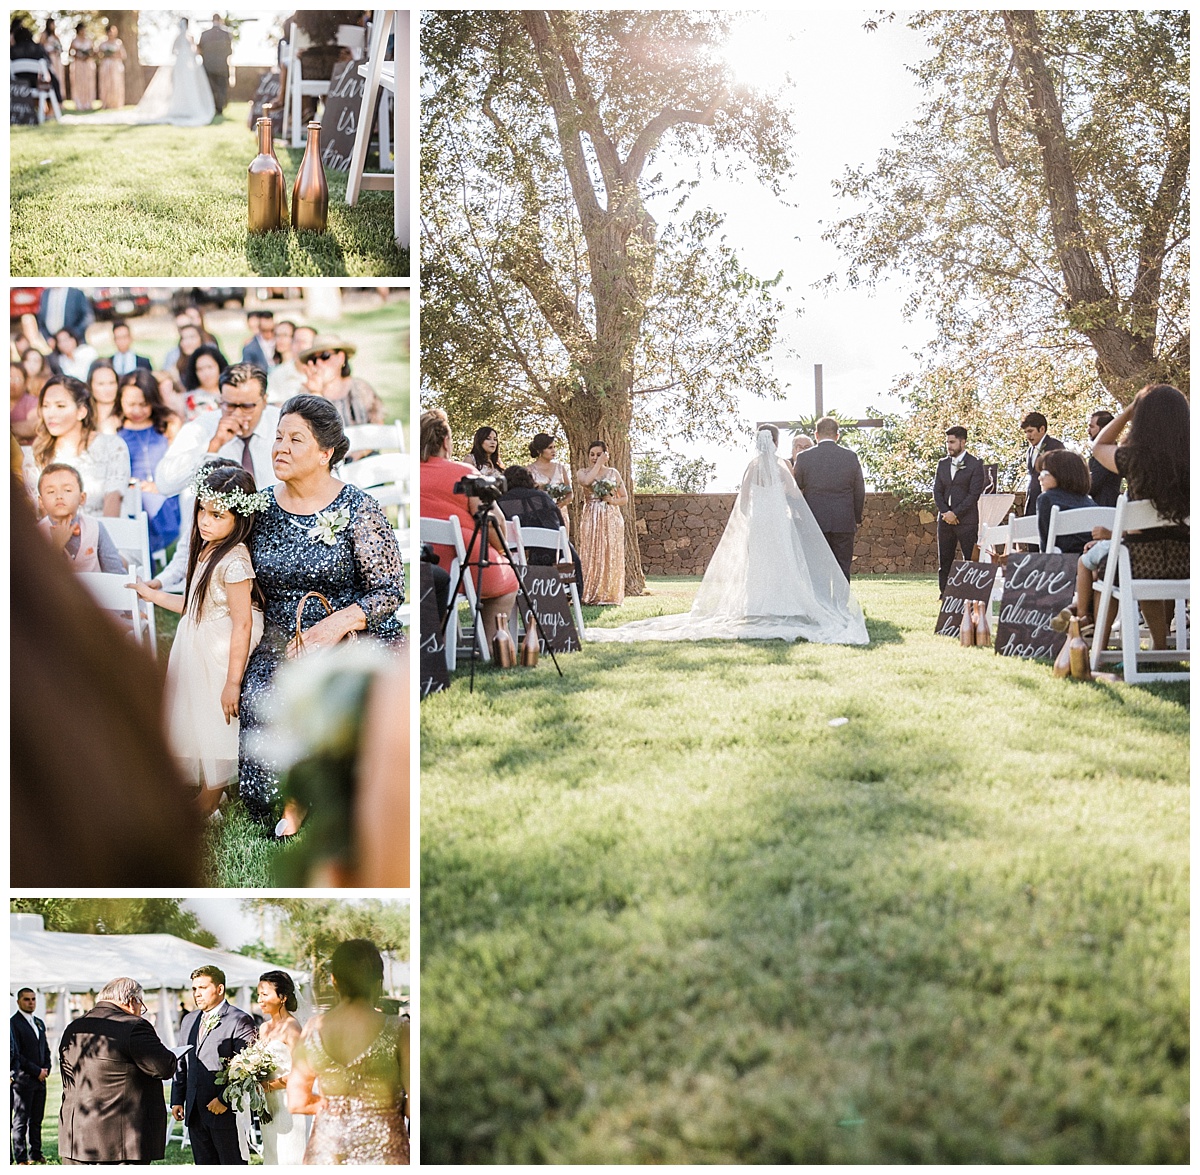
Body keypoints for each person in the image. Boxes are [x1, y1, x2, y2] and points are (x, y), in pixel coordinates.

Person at [11, 481, 204, 886]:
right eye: (45, 491)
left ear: (82, 497)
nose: (57, 498)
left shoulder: (96, 531)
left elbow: (116, 575)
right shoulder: (40, 546)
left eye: (67, 490)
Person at [239, 395, 405, 834]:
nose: (281, 448)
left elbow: (390, 590)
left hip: (350, 629)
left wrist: (332, 626)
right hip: (281, 635)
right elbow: (218, 556)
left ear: (325, 452)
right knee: (267, 690)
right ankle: (291, 796)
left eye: (296, 439)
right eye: (278, 437)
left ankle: (333, 793)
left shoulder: (358, 508)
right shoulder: (259, 508)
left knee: (348, 688)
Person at [589, 427, 869, 645]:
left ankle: (757, 605)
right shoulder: (783, 466)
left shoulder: (752, 465)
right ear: (775, 443)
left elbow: (744, 498)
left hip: (759, 522)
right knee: (783, 561)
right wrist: (784, 503)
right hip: (779, 524)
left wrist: (754, 513)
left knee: (758, 562)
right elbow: (794, 494)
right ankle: (785, 603)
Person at [135, 466, 266, 818]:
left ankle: (209, 804)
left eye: (217, 514)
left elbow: (242, 624)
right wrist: (152, 596)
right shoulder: (208, 549)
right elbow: (195, 606)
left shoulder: (235, 560)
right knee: (197, 718)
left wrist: (233, 682)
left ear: (239, 518)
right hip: (198, 639)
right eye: (201, 510)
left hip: (220, 650)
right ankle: (212, 792)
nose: (204, 521)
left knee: (214, 724)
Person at [1085, 384, 1189, 651]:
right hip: (1189, 563)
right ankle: (1159, 645)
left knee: (1120, 561)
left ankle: (1101, 643)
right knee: (1139, 555)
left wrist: (1130, 409)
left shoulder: (1133, 459)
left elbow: (1099, 446)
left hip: (1142, 564)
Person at [288, 941, 409, 1165]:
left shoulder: (313, 1029)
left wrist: (332, 1106)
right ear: (378, 983)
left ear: (334, 981)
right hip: (384, 1154)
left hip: (327, 1154)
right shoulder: (399, 1029)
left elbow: (296, 1101)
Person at [421, 408, 518, 647]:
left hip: (425, 563)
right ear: (445, 441)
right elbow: (493, 525)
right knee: (508, 580)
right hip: (464, 562)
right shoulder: (463, 473)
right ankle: (486, 645)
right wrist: (503, 550)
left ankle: (438, 647)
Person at [58, 977, 178, 1165]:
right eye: (141, 1005)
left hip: (76, 1135)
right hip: (119, 1141)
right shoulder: (133, 1026)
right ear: (132, 1001)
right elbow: (164, 1067)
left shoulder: (74, 1027)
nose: (141, 1011)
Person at [171, 966, 257, 1165]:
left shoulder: (240, 1019)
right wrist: (177, 1098)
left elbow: (247, 1067)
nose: (197, 993)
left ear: (219, 989)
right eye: (194, 989)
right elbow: (182, 1061)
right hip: (194, 1110)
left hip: (225, 1112)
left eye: (202, 987)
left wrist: (224, 1100)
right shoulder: (189, 1020)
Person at [26, 375, 131, 516]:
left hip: (102, 531)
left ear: (81, 411)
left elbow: (113, 498)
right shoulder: (38, 454)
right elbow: (39, 511)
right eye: (46, 406)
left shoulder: (112, 446)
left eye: (60, 406)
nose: (51, 414)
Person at [117, 370, 184, 553]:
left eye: (143, 404)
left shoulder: (167, 424)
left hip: (165, 489)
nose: (137, 410)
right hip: (132, 493)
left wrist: (160, 485)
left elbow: (179, 460)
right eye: (131, 404)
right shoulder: (116, 429)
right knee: (139, 502)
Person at [792, 416, 866, 581]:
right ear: (837, 436)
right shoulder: (850, 457)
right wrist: (856, 517)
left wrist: (802, 516)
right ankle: (840, 604)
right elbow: (859, 490)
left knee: (817, 567)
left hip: (814, 520)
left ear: (816, 435)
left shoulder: (804, 458)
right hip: (843, 519)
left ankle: (822, 604)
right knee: (842, 565)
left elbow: (796, 489)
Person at [498, 465, 584, 589]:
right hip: (551, 552)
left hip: (514, 555)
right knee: (567, 549)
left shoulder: (500, 501)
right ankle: (570, 592)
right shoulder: (542, 497)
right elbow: (559, 524)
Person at [256, 972, 308, 1165]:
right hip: (268, 1105)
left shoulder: (292, 1027)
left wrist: (269, 1086)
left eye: (265, 994)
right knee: (272, 1154)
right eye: (259, 995)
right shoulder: (264, 1028)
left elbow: (301, 1071)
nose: (260, 1000)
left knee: (289, 1156)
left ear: (283, 997)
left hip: (287, 1102)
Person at [36, 463, 127, 573]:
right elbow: (35, 580)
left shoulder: (95, 527)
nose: (59, 496)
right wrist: (56, 546)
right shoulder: (36, 534)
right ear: (41, 502)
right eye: (51, 492)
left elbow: (115, 570)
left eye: (67, 490)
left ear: (82, 498)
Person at [932, 425, 986, 595]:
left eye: (952, 442)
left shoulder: (975, 464)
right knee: (945, 559)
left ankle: (970, 593)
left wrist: (956, 513)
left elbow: (974, 494)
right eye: (947, 442)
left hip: (967, 520)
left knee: (970, 559)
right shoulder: (942, 464)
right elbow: (937, 491)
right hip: (945, 520)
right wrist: (945, 512)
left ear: (963, 442)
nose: (949, 446)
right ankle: (944, 594)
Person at [575, 440, 630, 605]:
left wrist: (612, 500)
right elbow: (586, 482)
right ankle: (590, 592)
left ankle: (609, 593)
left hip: (611, 516)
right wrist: (598, 464)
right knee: (592, 551)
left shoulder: (613, 473)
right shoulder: (583, 472)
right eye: (592, 454)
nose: (594, 457)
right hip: (591, 515)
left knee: (609, 552)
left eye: (598, 454)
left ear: (606, 454)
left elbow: (625, 498)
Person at [135, 18, 215, 127]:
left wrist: (182, 55)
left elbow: (173, 51)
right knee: (186, 86)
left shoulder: (178, 37)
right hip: (187, 65)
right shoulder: (190, 37)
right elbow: (195, 52)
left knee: (182, 86)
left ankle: (183, 107)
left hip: (181, 65)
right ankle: (187, 107)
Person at [300, 336, 385, 428]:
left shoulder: (360, 388)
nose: (319, 363)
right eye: (314, 359)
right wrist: (315, 393)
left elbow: (379, 428)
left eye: (325, 356)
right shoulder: (306, 393)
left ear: (341, 357)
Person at [11, 989, 50, 1166]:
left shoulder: (39, 1022)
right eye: (27, 999)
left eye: (33, 999)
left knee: (37, 1120)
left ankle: (36, 1153)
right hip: (23, 1080)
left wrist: (46, 1068)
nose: (31, 1003)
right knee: (21, 1121)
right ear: (19, 1001)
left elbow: (45, 1049)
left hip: (41, 1080)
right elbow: (16, 1054)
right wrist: (36, 1071)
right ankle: (21, 1158)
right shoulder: (13, 1024)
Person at [1034, 448, 1097, 553]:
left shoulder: (1046, 499)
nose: (1039, 478)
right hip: (1091, 561)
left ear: (1061, 474)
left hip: (1063, 564)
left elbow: (1046, 547)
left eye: (1044, 473)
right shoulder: (1090, 502)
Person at [526, 432, 573, 535]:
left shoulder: (560, 468)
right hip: (539, 514)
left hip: (560, 513)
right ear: (540, 450)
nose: (553, 451)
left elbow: (570, 494)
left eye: (554, 447)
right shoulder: (529, 470)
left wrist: (562, 503)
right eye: (549, 448)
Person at [1020, 411, 1065, 516]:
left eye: (1030, 431)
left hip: (1049, 502)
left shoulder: (1055, 446)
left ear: (1042, 429)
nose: (1028, 436)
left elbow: (1061, 476)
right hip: (1032, 502)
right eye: (1026, 432)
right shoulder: (1030, 451)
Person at [12, 16, 62, 106]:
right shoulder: (38, 48)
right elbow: (48, 62)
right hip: (36, 82)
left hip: (16, 83)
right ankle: (52, 108)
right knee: (52, 80)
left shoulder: (12, 50)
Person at [268, 324, 316, 404]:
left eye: (304, 342)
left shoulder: (323, 373)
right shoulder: (278, 373)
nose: (299, 346)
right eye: (296, 341)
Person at [198, 14, 234, 114]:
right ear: (220, 20)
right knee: (221, 88)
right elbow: (229, 51)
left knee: (210, 88)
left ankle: (211, 107)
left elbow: (200, 50)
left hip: (208, 66)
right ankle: (219, 108)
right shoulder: (226, 34)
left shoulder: (204, 34)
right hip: (222, 66)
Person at [1087, 410, 1121, 507]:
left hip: (1104, 511)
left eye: (1092, 427)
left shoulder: (1106, 453)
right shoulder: (1108, 451)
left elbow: (1092, 485)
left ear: (1103, 429)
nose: (1088, 431)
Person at [97, 24, 126, 108]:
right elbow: (97, 55)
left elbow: (123, 56)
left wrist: (113, 56)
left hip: (116, 66)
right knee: (105, 83)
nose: (111, 34)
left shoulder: (118, 42)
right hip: (105, 65)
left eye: (112, 32)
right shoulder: (102, 43)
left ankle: (116, 103)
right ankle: (106, 102)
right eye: (109, 32)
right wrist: (105, 55)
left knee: (115, 83)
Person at [68, 22, 96, 111]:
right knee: (79, 83)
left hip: (88, 64)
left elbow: (94, 52)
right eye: (82, 30)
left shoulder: (89, 41)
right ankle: (79, 103)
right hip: (78, 65)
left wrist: (88, 56)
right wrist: (77, 56)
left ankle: (88, 103)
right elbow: (70, 53)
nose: (83, 31)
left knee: (88, 83)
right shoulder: (74, 41)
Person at [11, 362, 39, 442]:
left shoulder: (32, 401)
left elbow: (34, 426)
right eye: (9, 378)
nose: (12, 383)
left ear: (26, 382)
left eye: (17, 379)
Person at [38, 17, 66, 98]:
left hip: (57, 59)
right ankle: (49, 99)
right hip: (49, 59)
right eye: (52, 24)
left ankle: (59, 97)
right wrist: (49, 51)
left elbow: (61, 47)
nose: (53, 26)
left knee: (59, 77)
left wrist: (57, 50)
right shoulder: (44, 35)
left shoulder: (56, 36)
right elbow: (40, 47)